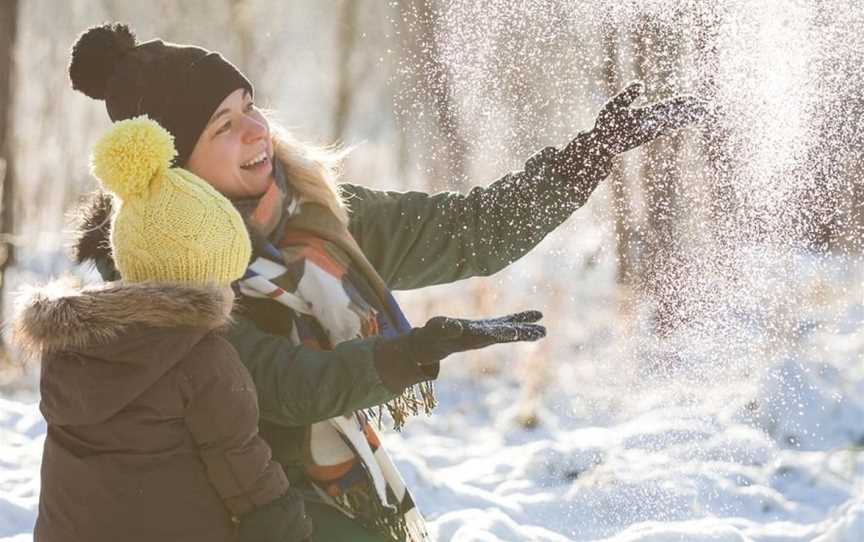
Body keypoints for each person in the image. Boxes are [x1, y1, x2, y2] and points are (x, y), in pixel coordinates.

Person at [66, 22, 705, 542]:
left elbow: (468, 229)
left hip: (309, 491)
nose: (257, 132)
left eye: (248, 107)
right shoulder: (164, 275)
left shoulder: (314, 217)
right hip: (216, 510)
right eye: (222, 126)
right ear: (178, 165)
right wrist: (406, 355)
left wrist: (582, 162)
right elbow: (281, 387)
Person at [12, 115, 314, 541]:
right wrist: (280, 514)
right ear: (201, 278)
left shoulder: (69, 347)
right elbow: (237, 457)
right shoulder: (201, 357)